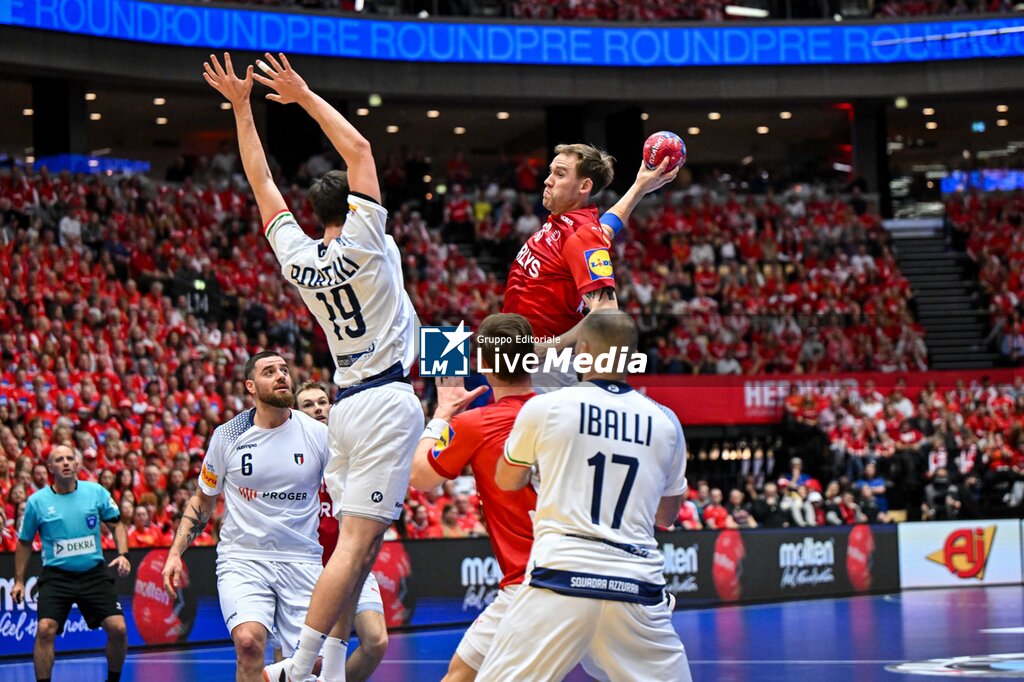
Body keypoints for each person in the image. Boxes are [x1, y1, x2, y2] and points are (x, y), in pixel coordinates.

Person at [202, 53, 420, 682]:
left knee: (358, 548)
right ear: (353, 209)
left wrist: (243, 108)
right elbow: (360, 148)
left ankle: (321, 664)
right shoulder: (368, 240)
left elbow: (262, 185)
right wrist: (302, 95)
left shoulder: (299, 256)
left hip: (345, 404)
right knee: (355, 549)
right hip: (382, 401)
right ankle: (297, 670)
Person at [479, 310, 692, 681]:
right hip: (636, 586)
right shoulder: (666, 422)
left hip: (560, 578)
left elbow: (508, 480)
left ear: (582, 350)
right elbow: (666, 517)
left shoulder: (546, 407)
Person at [160, 351, 330, 682]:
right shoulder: (228, 435)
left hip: (303, 560)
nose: (282, 375)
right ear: (250, 386)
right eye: (270, 372)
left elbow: (342, 493)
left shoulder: (318, 434)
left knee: (314, 665)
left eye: (284, 369)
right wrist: (175, 552)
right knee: (249, 642)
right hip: (243, 557)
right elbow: (202, 500)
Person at [409, 313, 537, 681]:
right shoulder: (562, 411)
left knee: (461, 675)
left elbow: (421, 477)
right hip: (592, 569)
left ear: (481, 362)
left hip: (529, 582)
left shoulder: (475, 423)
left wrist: (442, 414)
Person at [501, 144, 678, 390]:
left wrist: (549, 347)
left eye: (560, 174)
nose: (547, 181)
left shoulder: (582, 234)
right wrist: (639, 188)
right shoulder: (568, 226)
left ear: (584, 187)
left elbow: (605, 310)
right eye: (551, 172)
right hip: (518, 357)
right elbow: (605, 228)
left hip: (543, 368)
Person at [293, 381, 388, 682]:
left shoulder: (349, 446)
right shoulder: (290, 454)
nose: (318, 408)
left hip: (350, 556)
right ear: (295, 413)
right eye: (308, 404)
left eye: (322, 401)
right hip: (304, 568)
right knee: (298, 658)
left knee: (376, 641)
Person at [13, 445, 131, 682]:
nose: (65, 462)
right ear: (50, 468)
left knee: (119, 629)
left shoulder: (95, 492)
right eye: (59, 459)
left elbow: (117, 524)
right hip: (57, 577)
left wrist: (124, 554)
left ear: (77, 465)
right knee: (45, 629)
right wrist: (18, 580)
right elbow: (24, 542)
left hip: (93, 574)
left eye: (69, 458)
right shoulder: (37, 502)